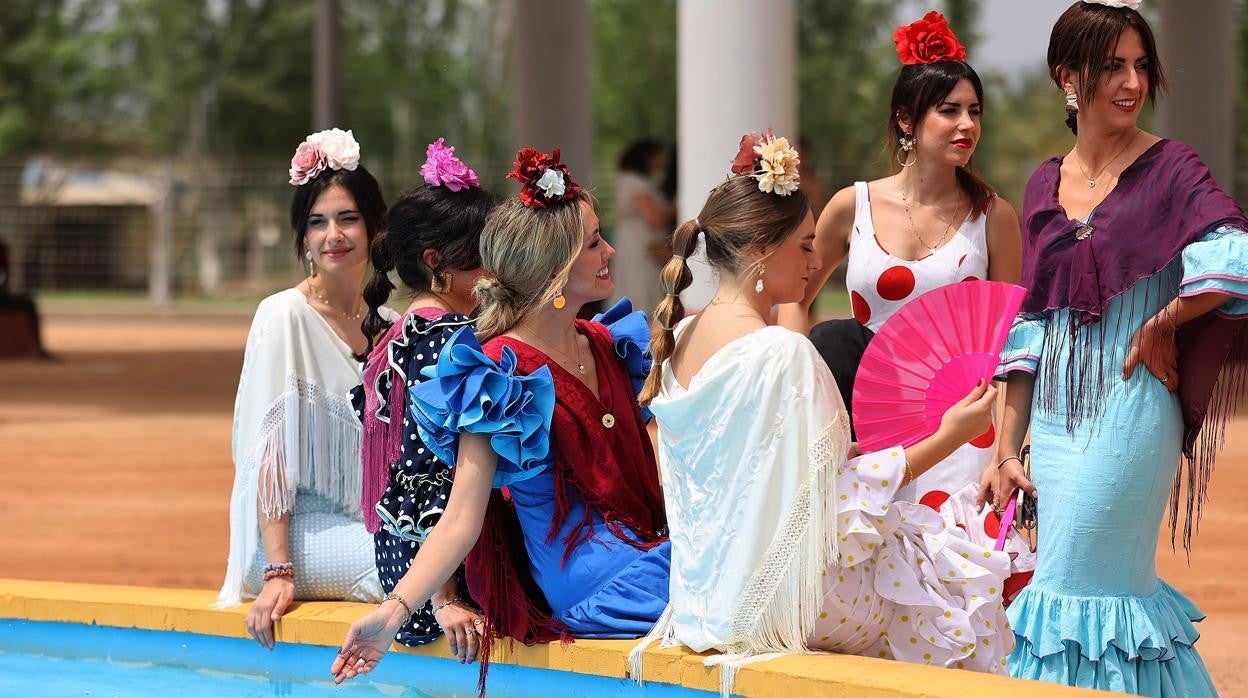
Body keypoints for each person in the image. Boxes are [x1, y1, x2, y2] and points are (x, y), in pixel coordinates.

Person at [632, 130, 1013, 693]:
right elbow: (838, 505)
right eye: (806, 246)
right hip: (790, 600)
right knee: (956, 585)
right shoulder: (781, 351)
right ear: (763, 248)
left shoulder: (681, 336)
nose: (815, 261)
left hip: (704, 598)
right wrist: (951, 435)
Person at [982, 2, 1248, 694]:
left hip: (1132, 405)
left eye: (1140, 66)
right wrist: (1007, 449)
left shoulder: (1171, 167)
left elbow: (1236, 256)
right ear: (1067, 77)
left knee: (1083, 586)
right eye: (1112, 67)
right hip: (1054, 426)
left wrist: (1166, 319)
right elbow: (1032, 321)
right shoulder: (1044, 181)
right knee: (1070, 588)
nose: (1132, 82)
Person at [331, 147, 668, 685]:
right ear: (555, 270)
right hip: (589, 581)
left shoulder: (607, 343)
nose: (608, 251)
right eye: (592, 244)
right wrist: (393, 613)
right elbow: (460, 515)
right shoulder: (496, 373)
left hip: (647, 548)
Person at [780, 13, 1032, 592]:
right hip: (869, 425)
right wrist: (796, 365)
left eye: (975, 111)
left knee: (957, 591)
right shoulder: (852, 206)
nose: (967, 124)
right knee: (868, 582)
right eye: (950, 110)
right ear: (906, 120)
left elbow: (1012, 347)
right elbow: (793, 294)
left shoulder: (993, 217)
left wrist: (1006, 452)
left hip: (966, 432)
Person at [219, 129, 393, 651]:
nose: (332, 235)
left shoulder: (391, 323)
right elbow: (268, 451)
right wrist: (277, 568)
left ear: (375, 227)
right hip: (292, 535)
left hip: (365, 524)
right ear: (302, 236)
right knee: (416, 572)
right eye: (316, 222)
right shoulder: (283, 314)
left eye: (347, 218)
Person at [351, 139, 495, 652]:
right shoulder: (450, 340)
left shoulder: (402, 331)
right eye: (483, 258)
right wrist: (445, 595)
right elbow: (426, 470)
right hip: (435, 587)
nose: (494, 273)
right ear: (438, 263)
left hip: (398, 563)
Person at [612, 139, 674, 314]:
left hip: (630, 242)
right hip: (642, 246)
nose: (659, 162)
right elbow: (653, 218)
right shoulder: (637, 183)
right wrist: (676, 208)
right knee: (642, 288)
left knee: (629, 286)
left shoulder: (624, 180)